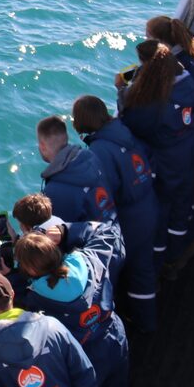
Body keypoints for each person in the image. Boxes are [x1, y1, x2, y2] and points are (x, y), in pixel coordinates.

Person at [11, 195, 132, 387]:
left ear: (30, 270)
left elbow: (11, 310)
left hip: (81, 361)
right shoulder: (89, 260)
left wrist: (9, 276)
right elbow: (107, 231)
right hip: (113, 338)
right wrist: (66, 232)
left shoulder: (34, 302)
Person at [71, 95, 161, 332]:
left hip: (130, 220)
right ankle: (147, 317)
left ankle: (140, 327)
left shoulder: (99, 151)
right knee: (144, 268)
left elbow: (105, 193)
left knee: (128, 272)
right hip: (149, 204)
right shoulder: (121, 131)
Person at [118, 40, 194, 278]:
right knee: (182, 204)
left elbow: (133, 121)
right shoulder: (187, 83)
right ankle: (180, 249)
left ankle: (160, 265)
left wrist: (122, 92)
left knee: (161, 212)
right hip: (185, 154)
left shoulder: (157, 103)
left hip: (165, 164)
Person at [35, 116, 117, 226]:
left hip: (96, 236)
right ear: (66, 137)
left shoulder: (54, 192)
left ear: (43, 147)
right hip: (115, 226)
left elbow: (56, 232)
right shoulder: (91, 157)